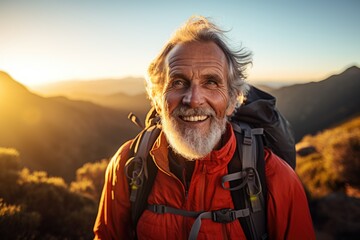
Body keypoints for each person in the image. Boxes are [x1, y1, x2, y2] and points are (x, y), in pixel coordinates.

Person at [94, 16, 316, 239]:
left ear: (232, 101)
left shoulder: (275, 177)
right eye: (178, 82)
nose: (193, 99)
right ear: (157, 99)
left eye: (211, 82)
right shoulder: (127, 164)